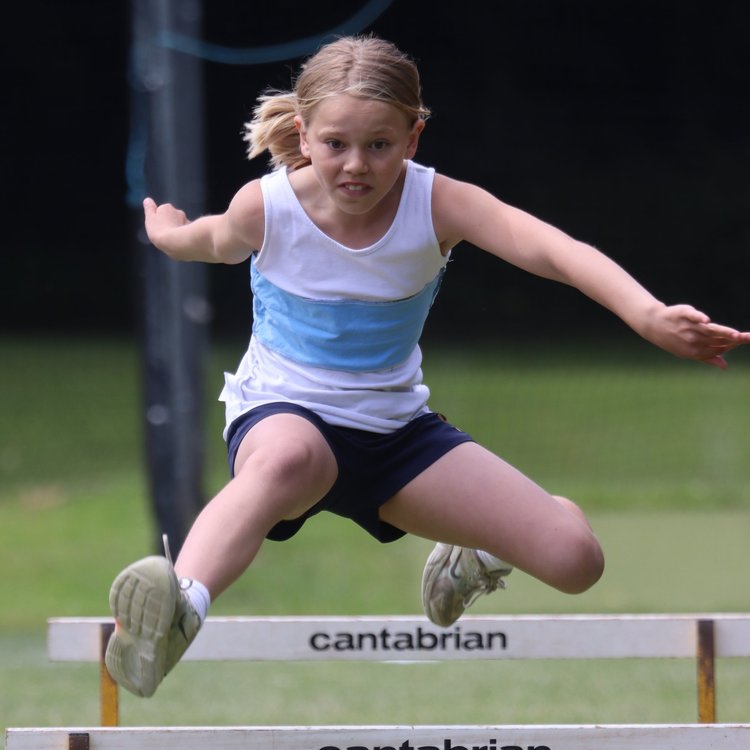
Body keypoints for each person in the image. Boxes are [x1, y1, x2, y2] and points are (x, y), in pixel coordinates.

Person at [104, 34, 750, 699]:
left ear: (411, 139)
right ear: (304, 133)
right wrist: (166, 234)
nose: (356, 166)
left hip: (393, 434)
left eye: (378, 146)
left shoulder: (439, 204)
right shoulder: (267, 206)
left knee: (575, 560)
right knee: (291, 459)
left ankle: (474, 556)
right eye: (335, 145)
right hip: (283, 415)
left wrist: (647, 316)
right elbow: (206, 240)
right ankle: (179, 612)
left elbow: (554, 250)